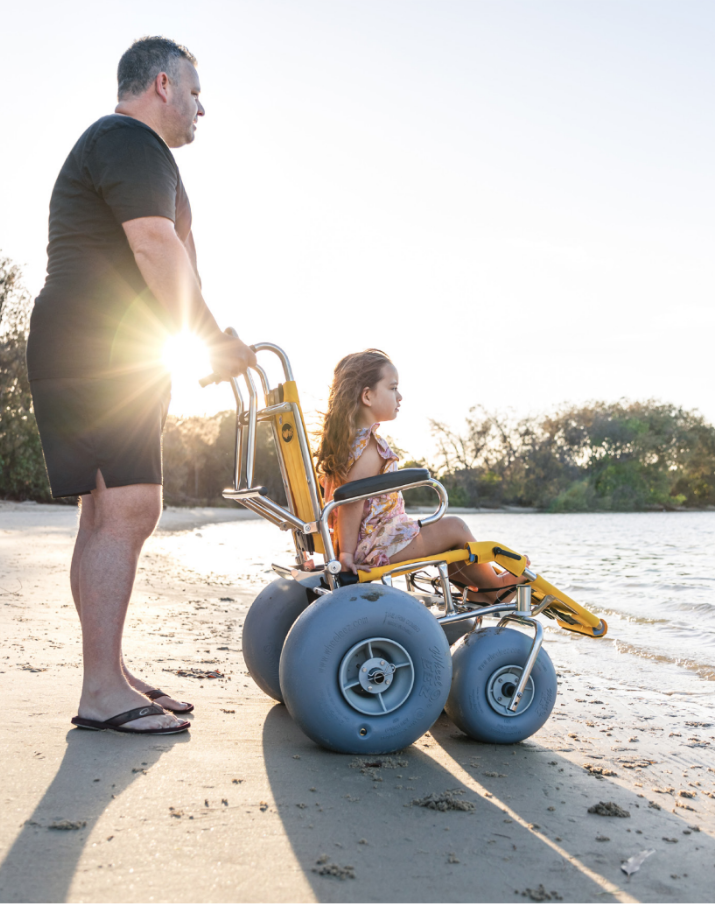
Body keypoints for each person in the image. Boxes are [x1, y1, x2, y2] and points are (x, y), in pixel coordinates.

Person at [26, 37, 256, 735]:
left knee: (109, 511)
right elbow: (154, 244)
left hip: (110, 346)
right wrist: (209, 338)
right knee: (125, 509)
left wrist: (201, 333)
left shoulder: (129, 149)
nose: (201, 108)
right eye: (193, 92)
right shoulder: (127, 139)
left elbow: (168, 252)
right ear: (162, 84)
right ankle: (100, 691)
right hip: (95, 346)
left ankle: (111, 674)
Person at [316, 349, 528, 598]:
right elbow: (351, 502)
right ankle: (495, 588)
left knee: (445, 536)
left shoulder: (350, 442)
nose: (400, 396)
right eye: (393, 388)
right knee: (456, 528)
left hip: (371, 540)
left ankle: (480, 588)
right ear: (367, 396)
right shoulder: (368, 449)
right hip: (373, 546)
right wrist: (346, 556)